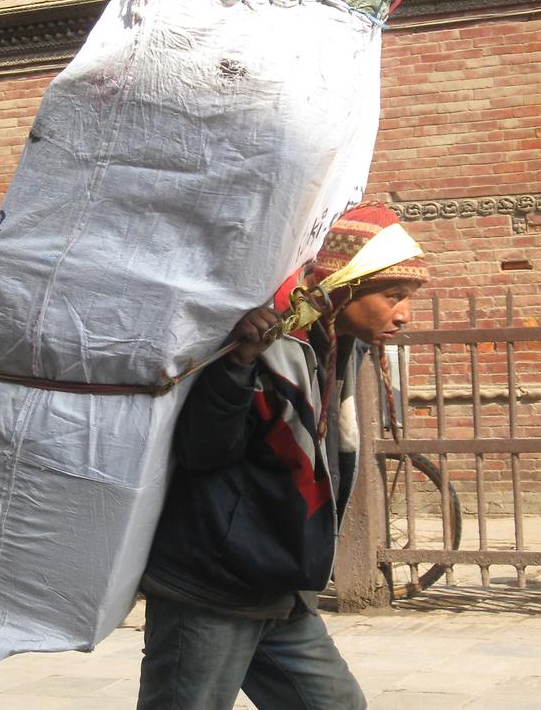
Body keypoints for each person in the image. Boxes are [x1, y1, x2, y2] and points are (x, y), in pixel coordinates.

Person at [137, 202, 428, 710]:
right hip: (211, 589)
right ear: (345, 285)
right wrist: (240, 363)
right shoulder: (270, 344)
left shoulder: (335, 347)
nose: (403, 313)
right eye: (392, 295)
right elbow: (204, 450)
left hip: (280, 589)